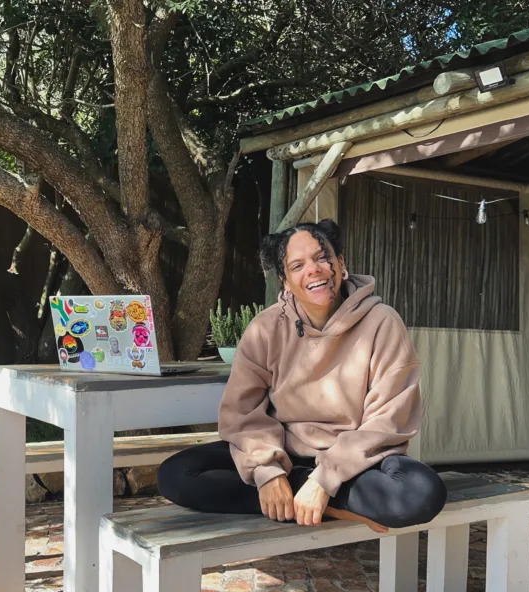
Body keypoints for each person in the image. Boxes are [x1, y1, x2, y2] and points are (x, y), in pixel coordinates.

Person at [158, 218, 446, 532]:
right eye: (297, 265)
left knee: (422, 493)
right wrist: (269, 472)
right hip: (286, 454)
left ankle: (306, 498)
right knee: (177, 474)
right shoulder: (266, 328)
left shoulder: (383, 323)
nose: (313, 270)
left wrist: (325, 480)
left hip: (355, 464)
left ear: (341, 263)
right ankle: (302, 497)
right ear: (284, 280)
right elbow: (242, 414)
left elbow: (389, 419)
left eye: (322, 258)